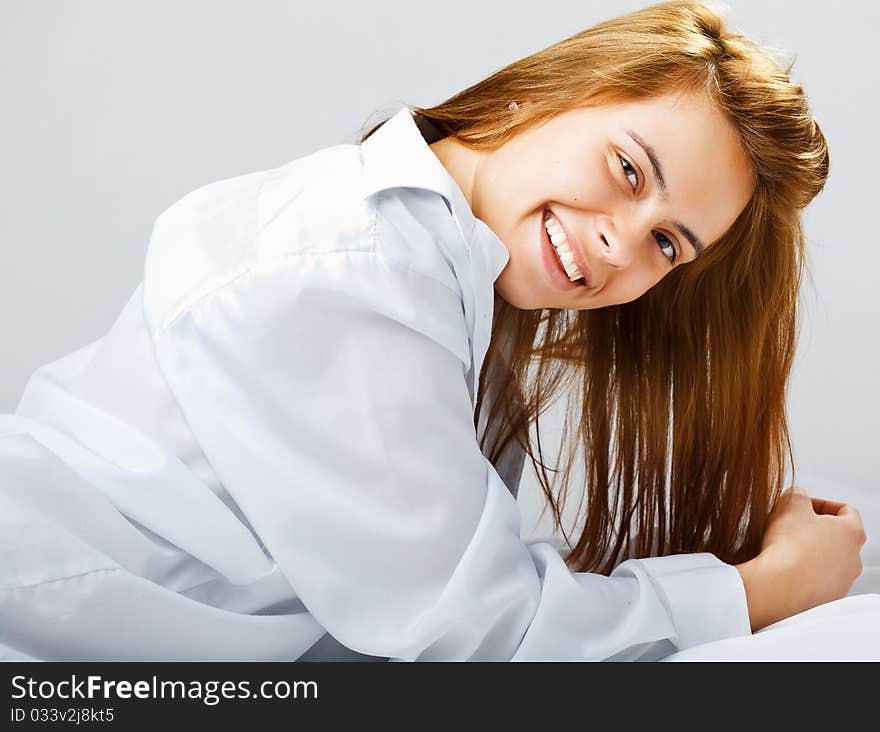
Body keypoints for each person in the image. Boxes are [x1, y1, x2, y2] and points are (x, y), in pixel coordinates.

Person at [0, 0, 871, 661]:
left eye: (667, 243)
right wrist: (765, 590)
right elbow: (476, 633)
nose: (620, 241)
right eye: (627, 168)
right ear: (539, 94)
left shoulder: (442, 277)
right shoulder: (356, 271)